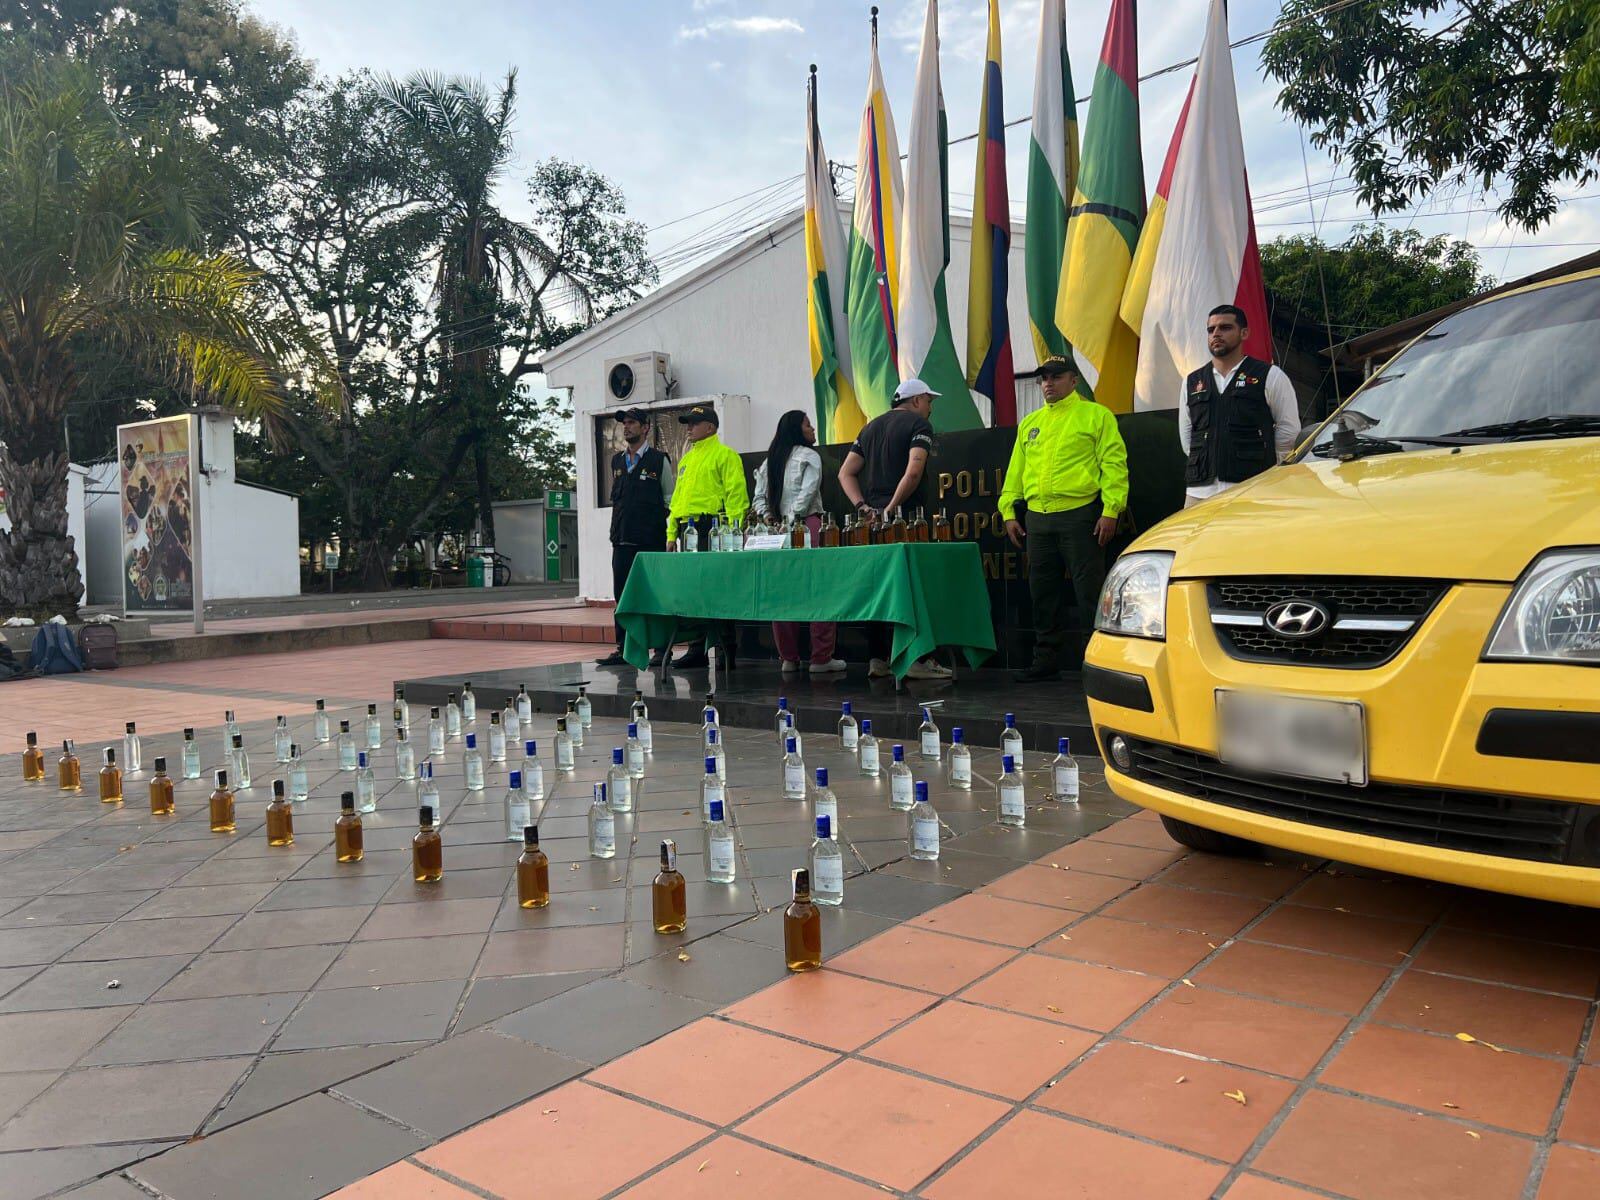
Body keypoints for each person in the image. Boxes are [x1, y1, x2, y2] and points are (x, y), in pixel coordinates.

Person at [999, 356, 1129, 681]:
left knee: (1090, 593)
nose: (1048, 383)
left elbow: (1114, 465)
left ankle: (1095, 661)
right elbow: (1016, 473)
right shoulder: (1030, 423)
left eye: (1056, 377)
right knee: (1042, 593)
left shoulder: (1096, 415)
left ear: (1074, 380)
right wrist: (1008, 510)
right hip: (1038, 519)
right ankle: (1045, 660)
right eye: (1044, 378)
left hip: (1080, 516)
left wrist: (1111, 509)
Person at [838, 378, 952, 681]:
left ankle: (878, 659)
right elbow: (913, 472)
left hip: (872, 525)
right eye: (928, 401)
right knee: (914, 588)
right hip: (908, 522)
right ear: (916, 401)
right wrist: (892, 510)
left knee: (878, 590)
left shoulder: (869, 428)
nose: (930, 408)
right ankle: (918, 660)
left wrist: (864, 508)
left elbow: (845, 472)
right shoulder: (919, 425)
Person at [1179, 304, 1300, 507]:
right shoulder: (1192, 382)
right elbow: (1186, 436)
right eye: (1211, 329)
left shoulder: (1269, 375)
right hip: (1199, 491)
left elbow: (1289, 430)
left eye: (1225, 327)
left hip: (1253, 487)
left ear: (1244, 333)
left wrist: (1270, 467)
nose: (1216, 334)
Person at [753, 410, 844, 675]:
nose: (812, 429)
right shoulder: (809, 456)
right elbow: (808, 493)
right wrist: (792, 520)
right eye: (808, 424)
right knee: (820, 590)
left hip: (776, 533)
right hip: (809, 526)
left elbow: (758, 498)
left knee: (782, 593)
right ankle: (821, 658)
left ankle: (789, 658)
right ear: (796, 429)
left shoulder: (770, 461)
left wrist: (771, 519)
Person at [665, 403, 750, 669]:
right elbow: (677, 500)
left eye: (694, 423)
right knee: (692, 590)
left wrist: (734, 531)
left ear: (710, 427)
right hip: (687, 529)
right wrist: (671, 533)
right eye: (687, 423)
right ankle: (697, 649)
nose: (688, 428)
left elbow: (737, 496)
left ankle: (726, 649)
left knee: (718, 590)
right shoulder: (686, 460)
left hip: (712, 529)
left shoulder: (725, 455)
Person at [598, 408, 674, 667]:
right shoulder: (617, 462)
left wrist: (655, 526)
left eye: (632, 422)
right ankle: (624, 649)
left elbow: (669, 500)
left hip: (650, 543)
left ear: (645, 428)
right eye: (624, 423)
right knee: (622, 597)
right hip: (621, 541)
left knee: (655, 597)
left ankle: (662, 650)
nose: (626, 427)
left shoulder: (658, 460)